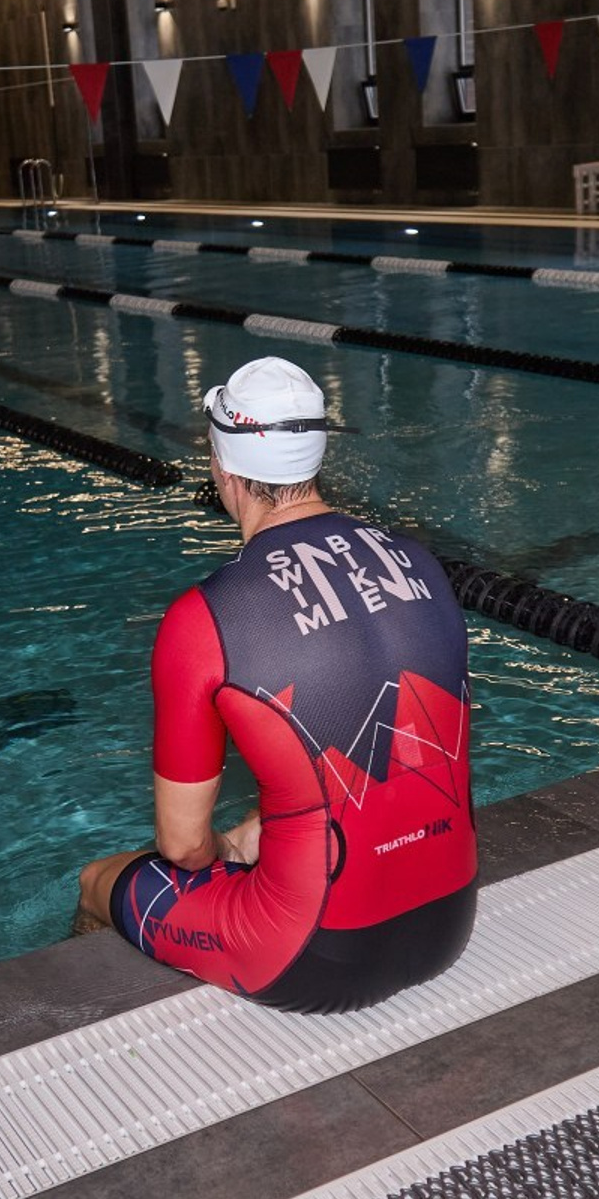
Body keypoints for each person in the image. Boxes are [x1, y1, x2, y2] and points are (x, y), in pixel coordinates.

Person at [76, 356, 478, 1013]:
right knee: (279, 815)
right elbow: (400, 756)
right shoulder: (421, 562)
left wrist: (223, 850)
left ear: (221, 465)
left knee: (100, 881)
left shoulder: (204, 619)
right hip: (449, 925)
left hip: (313, 957)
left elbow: (183, 847)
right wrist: (250, 837)